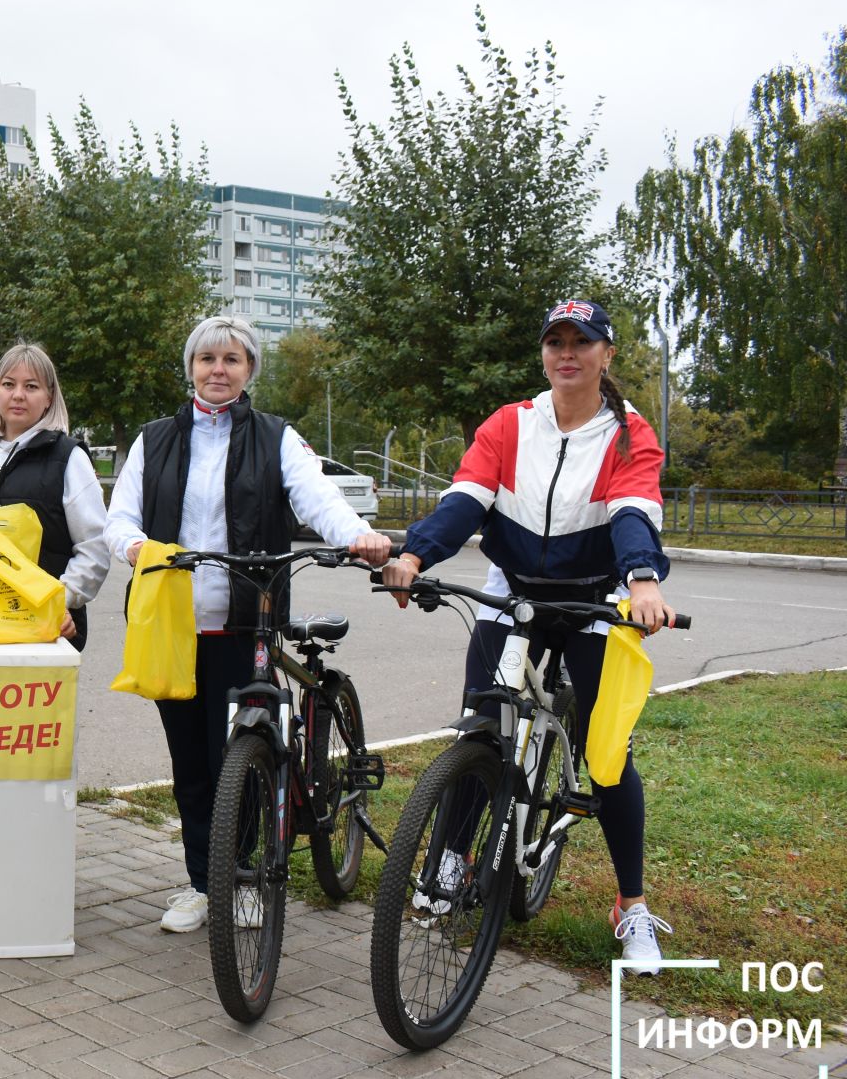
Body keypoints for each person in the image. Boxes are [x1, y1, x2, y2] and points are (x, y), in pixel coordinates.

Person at [382, 299, 676, 975]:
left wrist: (641, 581)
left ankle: (630, 906)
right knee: (481, 729)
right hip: (512, 589)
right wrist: (416, 555)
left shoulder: (629, 434)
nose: (566, 353)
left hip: (594, 596)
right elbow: (466, 498)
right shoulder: (511, 424)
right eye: (555, 342)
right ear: (543, 352)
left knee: (607, 757)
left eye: (581, 342)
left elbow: (635, 512)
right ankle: (452, 862)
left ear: (606, 354)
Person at [104, 315, 392, 934]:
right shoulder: (153, 439)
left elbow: (317, 499)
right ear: (190, 368)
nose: (217, 370)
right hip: (171, 625)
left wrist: (359, 537)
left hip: (245, 623)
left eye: (232, 359)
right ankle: (200, 882)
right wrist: (133, 548)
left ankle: (242, 876)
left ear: (249, 369)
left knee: (239, 756)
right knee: (192, 764)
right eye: (207, 359)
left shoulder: (275, 437)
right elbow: (119, 518)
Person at [0, 342, 108, 649]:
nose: (18, 395)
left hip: (38, 626)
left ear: (49, 397)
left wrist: (60, 600)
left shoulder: (68, 458)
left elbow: (95, 547)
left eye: (31, 386)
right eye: (8, 384)